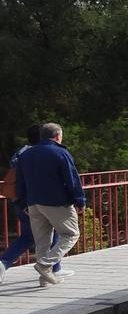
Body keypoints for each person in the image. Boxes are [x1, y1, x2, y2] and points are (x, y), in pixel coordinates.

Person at [15, 123, 85, 288]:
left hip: (33, 203)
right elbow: (72, 179)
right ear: (57, 136)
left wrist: (23, 202)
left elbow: (21, 182)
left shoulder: (26, 155)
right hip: (57, 201)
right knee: (71, 234)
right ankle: (45, 265)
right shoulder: (60, 152)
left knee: (42, 241)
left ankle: (44, 279)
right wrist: (80, 200)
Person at [0, 125, 66, 284]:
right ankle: (51, 269)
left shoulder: (20, 152)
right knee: (49, 231)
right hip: (36, 201)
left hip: (19, 201)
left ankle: (54, 268)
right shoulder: (40, 154)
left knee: (31, 235)